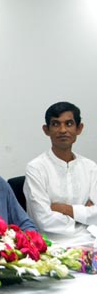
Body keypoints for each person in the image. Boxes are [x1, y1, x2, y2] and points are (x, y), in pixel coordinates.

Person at [24, 102, 97, 246]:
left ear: (79, 128)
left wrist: (65, 209)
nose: (63, 130)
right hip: (53, 245)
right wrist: (84, 215)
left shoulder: (90, 167)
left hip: (91, 240)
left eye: (69, 124)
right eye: (56, 124)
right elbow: (43, 220)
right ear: (46, 130)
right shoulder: (36, 168)